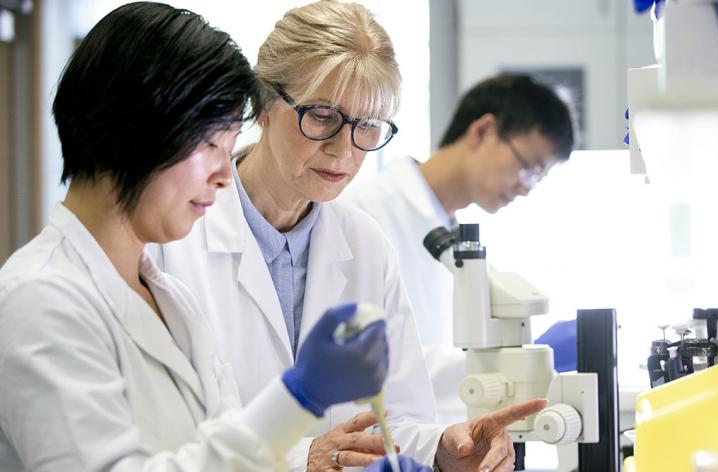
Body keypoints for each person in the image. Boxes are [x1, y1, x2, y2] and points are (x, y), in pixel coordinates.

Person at [0, 3, 409, 471]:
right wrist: (301, 395)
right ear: (136, 131)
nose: (222, 175)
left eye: (228, 146)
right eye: (210, 144)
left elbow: (221, 453)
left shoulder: (169, 298)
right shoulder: (39, 300)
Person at [151, 2, 548, 472]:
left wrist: (445, 447)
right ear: (264, 104)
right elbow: (169, 433)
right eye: (322, 116)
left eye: (367, 126)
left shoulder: (364, 243)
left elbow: (399, 417)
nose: (344, 149)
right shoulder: (176, 237)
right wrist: (305, 459)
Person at [343, 74, 578, 422]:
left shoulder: (451, 232)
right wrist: (516, 364)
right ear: (483, 131)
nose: (525, 189)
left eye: (537, 180)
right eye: (528, 169)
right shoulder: (366, 215)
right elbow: (366, 363)